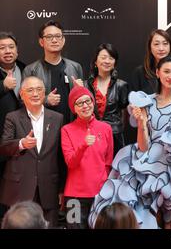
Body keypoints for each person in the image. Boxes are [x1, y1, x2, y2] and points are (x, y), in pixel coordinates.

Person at [89, 56, 171, 229]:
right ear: (157, 73)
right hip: (147, 165)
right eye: (166, 71)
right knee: (134, 211)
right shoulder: (146, 101)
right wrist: (142, 123)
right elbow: (143, 147)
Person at [0, 76, 64, 227]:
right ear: (22, 94)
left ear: (44, 93)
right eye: (30, 90)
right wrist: (21, 143)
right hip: (20, 187)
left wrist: (62, 188)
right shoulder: (13, 117)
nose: (35, 94)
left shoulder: (57, 118)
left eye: (39, 89)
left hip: (49, 186)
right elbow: (3, 146)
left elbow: (61, 156)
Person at [61, 85, 114, 229]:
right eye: (79, 103)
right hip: (74, 196)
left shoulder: (106, 128)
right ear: (74, 108)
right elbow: (71, 162)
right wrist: (83, 145)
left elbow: (108, 163)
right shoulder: (66, 130)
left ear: (93, 102)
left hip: (100, 195)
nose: (85, 106)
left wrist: (105, 189)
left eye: (88, 101)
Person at [22, 20, 84, 125]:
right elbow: (23, 101)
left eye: (58, 36)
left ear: (63, 40)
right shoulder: (31, 70)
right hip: (43, 126)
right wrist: (45, 100)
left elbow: (84, 100)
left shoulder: (75, 67)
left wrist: (80, 91)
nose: (54, 40)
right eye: (49, 37)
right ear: (41, 42)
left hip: (71, 126)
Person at [85, 43, 129, 155]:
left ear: (114, 63)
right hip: (91, 136)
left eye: (111, 58)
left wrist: (117, 129)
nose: (107, 61)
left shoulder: (121, 85)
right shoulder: (85, 85)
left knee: (114, 170)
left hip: (114, 137)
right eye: (103, 57)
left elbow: (124, 113)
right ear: (95, 61)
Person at [0, 32, 26, 219]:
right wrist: (3, 86)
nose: (7, 51)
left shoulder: (26, 69)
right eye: (2, 48)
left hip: (23, 137)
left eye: (11, 47)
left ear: (17, 50)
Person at [129, 29, 171, 94]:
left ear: (170, 46)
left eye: (165, 44)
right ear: (150, 47)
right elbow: (132, 100)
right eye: (156, 44)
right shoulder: (139, 72)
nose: (161, 48)